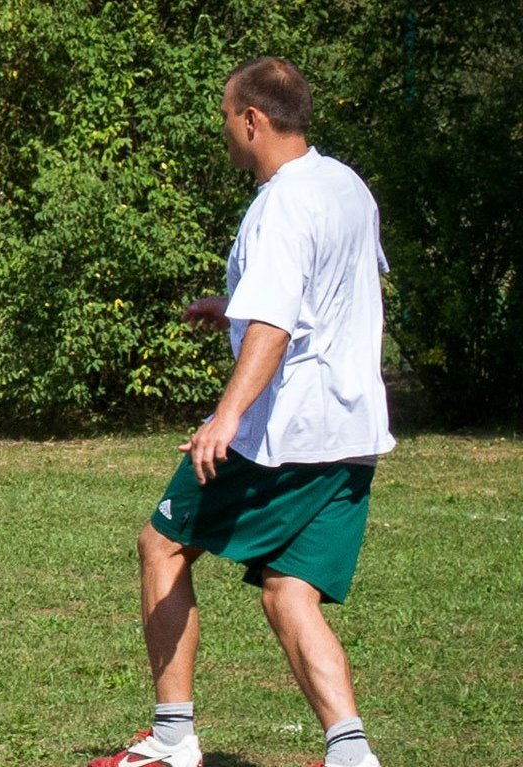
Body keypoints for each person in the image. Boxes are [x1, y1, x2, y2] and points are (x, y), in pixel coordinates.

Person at [91, 57, 396, 767]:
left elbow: (278, 327)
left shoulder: (282, 202)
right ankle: (352, 755)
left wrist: (227, 415)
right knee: (290, 592)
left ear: (253, 120)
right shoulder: (346, 186)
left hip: (283, 438)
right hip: (351, 435)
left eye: (227, 118)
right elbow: (328, 294)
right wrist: (233, 305)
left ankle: (172, 739)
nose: (223, 131)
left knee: (161, 545)